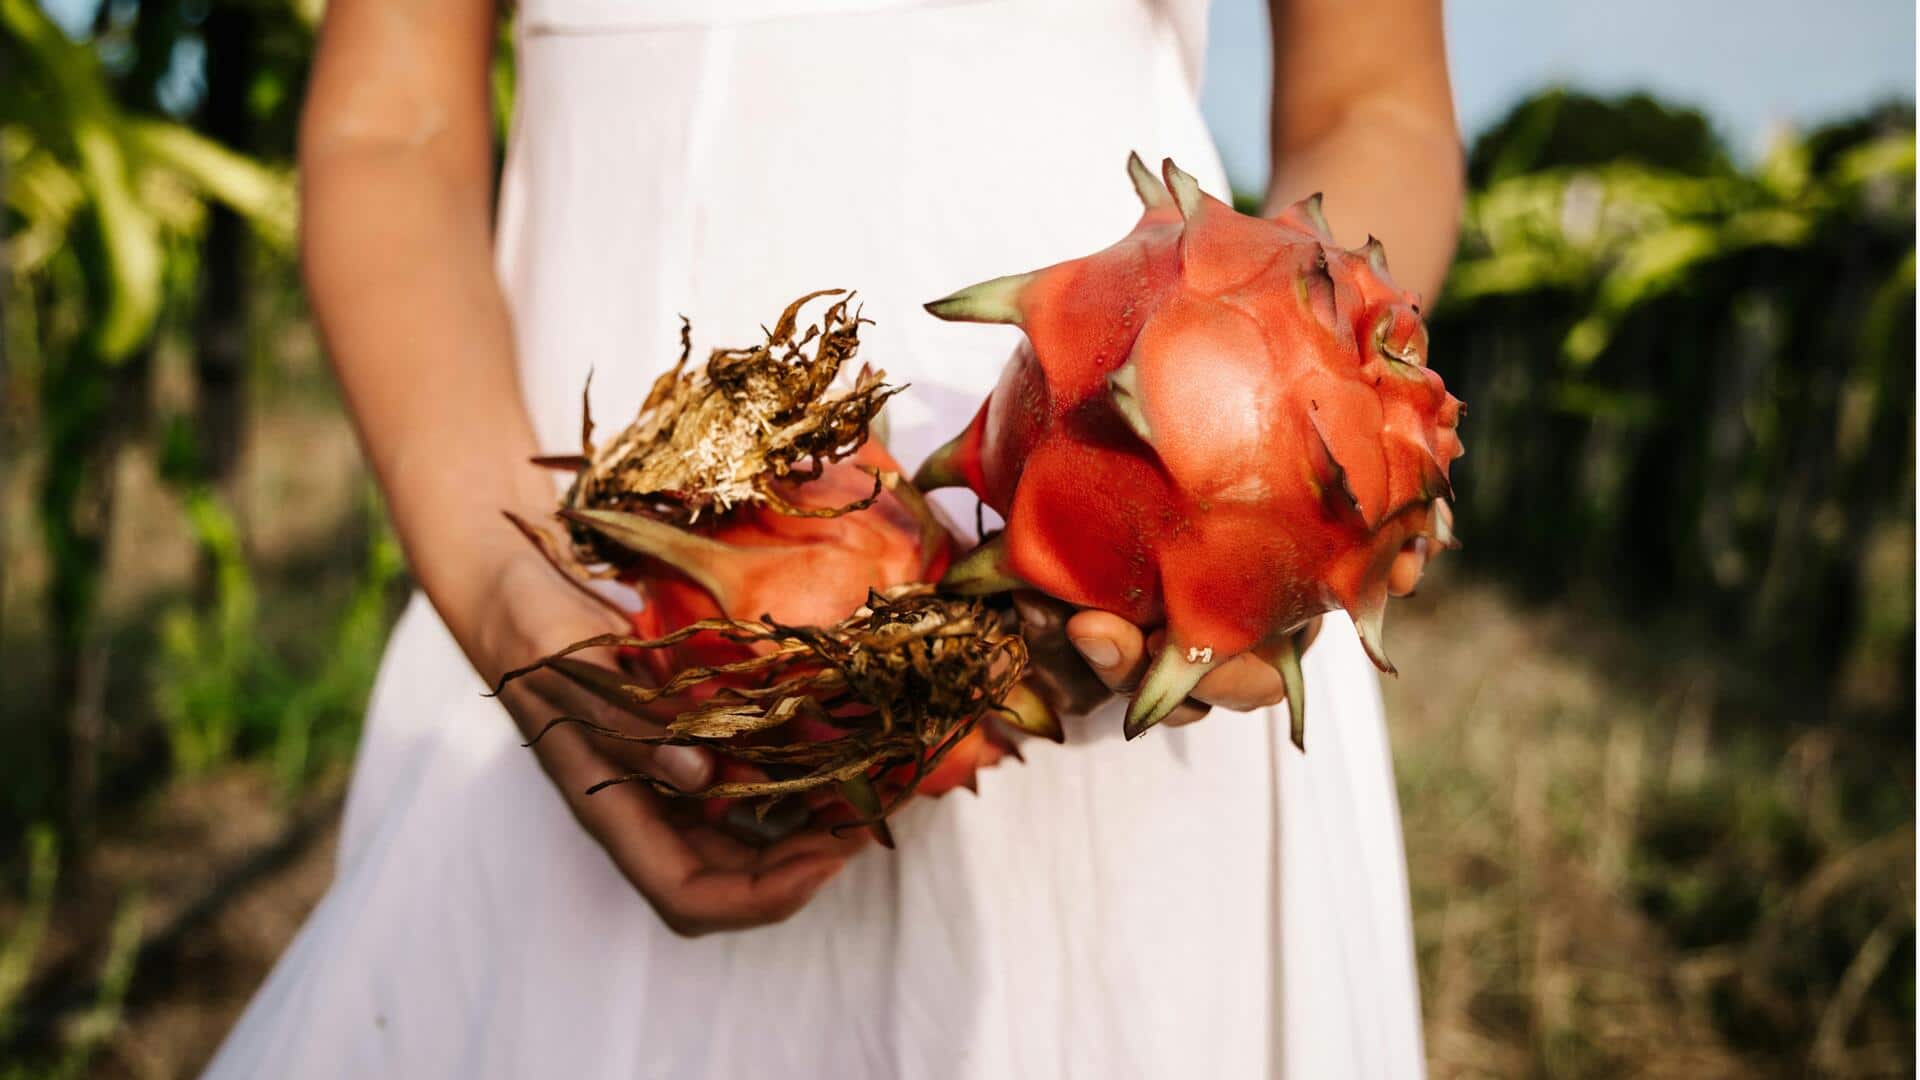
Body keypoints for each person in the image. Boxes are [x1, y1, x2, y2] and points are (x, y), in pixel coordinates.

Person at [206, 0, 1461, 1075]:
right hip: (573, 612)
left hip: (1162, 616)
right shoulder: (533, 610)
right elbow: (390, 126)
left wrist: (1296, 462)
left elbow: (1378, 101)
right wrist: (498, 586)